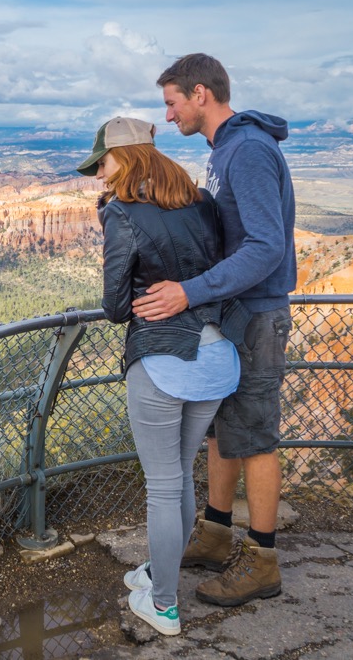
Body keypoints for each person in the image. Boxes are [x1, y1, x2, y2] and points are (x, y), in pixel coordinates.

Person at [133, 53, 297, 608]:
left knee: (253, 436)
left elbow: (265, 246)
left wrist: (190, 291)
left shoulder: (246, 150)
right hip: (233, 313)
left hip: (255, 314)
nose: (169, 114)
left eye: (171, 102)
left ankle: (262, 560)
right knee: (222, 430)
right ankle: (215, 529)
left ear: (200, 94)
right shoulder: (224, 150)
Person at [77, 117, 244, 635]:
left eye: (101, 164)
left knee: (163, 485)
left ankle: (165, 604)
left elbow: (113, 304)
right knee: (178, 475)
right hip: (217, 356)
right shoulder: (200, 202)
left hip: (164, 361)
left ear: (123, 159)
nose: (100, 176)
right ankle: (158, 571)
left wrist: (144, 301)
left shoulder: (122, 213)